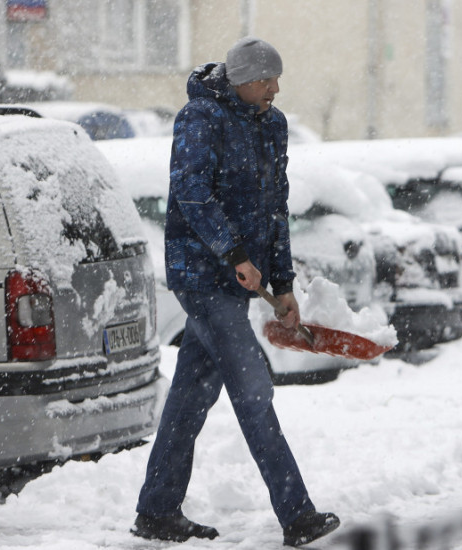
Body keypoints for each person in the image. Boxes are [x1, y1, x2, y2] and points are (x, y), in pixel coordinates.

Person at [131, 37, 341, 547]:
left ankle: (157, 510)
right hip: (202, 278)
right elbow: (191, 192)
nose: (274, 88)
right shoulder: (200, 118)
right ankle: (298, 515)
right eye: (265, 80)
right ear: (241, 79)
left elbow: (276, 208)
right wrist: (233, 254)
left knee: (190, 399)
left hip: (240, 278)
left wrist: (284, 282)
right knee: (253, 391)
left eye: (276, 79)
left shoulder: (272, 125)